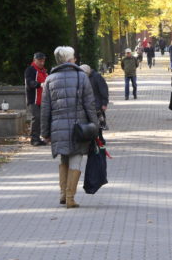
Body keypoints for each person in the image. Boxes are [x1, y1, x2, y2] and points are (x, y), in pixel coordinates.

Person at [40, 46, 98, 208]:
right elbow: (89, 104)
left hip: (58, 127)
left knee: (64, 157)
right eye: (73, 57)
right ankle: (70, 198)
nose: (75, 59)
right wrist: (95, 125)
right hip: (78, 126)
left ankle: (63, 195)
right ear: (69, 59)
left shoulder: (50, 79)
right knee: (76, 158)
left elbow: (45, 109)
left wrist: (45, 132)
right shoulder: (81, 77)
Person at [24, 52, 48, 146]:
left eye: (43, 61)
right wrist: (39, 84)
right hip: (33, 99)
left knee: (41, 119)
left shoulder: (44, 71)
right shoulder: (30, 70)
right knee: (36, 118)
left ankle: (38, 138)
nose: (42, 63)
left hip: (43, 99)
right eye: (40, 61)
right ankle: (34, 139)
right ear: (35, 60)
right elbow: (29, 82)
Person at [81, 64, 109, 130]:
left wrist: (104, 103)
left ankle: (101, 135)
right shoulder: (85, 78)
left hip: (97, 104)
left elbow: (104, 90)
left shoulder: (97, 77)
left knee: (99, 123)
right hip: (89, 104)